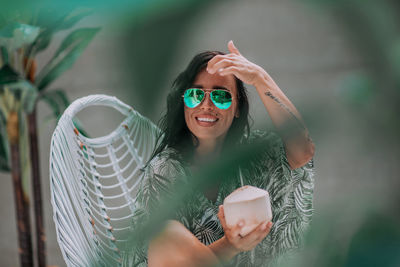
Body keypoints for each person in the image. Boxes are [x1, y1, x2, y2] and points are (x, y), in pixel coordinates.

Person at [128, 40, 315, 267]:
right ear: (184, 104)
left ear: (237, 108)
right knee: (169, 235)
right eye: (195, 95)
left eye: (221, 96)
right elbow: (163, 258)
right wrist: (231, 245)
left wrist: (259, 78)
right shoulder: (165, 171)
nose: (206, 105)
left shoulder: (254, 155)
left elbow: (302, 150)